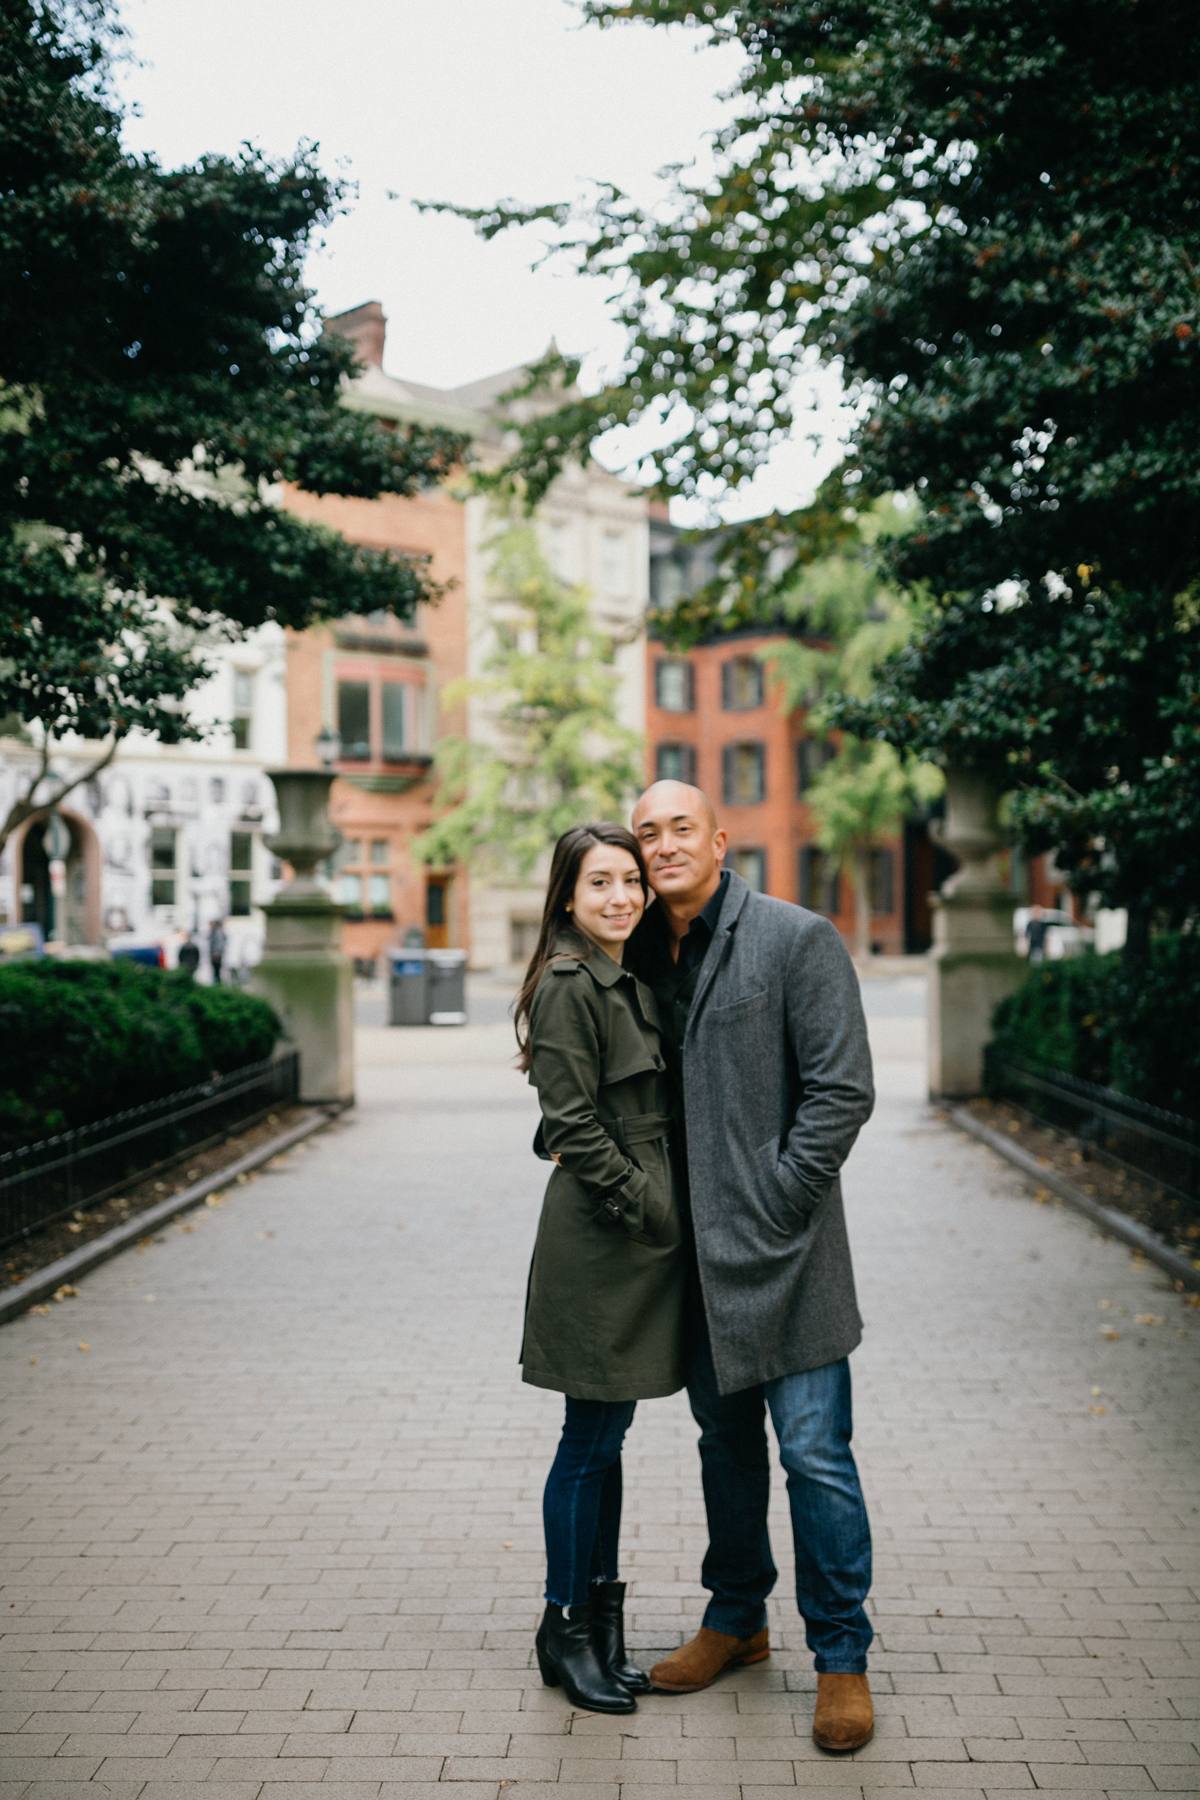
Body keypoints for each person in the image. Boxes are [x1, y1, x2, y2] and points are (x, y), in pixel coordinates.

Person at [625, 780, 877, 1752]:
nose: (662, 845)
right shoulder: (638, 953)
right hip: (691, 1264)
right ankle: (737, 1621)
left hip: (792, 1254)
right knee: (723, 1449)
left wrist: (774, 1202)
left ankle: (843, 1657)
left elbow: (841, 1092)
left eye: (679, 827)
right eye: (647, 832)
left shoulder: (793, 937)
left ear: (720, 840)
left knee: (816, 1458)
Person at [515, 821, 687, 1717]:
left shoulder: (630, 977)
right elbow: (572, 1125)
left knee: (608, 1436)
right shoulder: (569, 985)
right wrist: (647, 1203)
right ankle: (564, 1624)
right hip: (603, 1234)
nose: (619, 897)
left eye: (630, 882)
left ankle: (598, 1626)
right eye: (599, 885)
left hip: (634, 1231)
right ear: (568, 899)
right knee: (587, 1442)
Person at [208, 918, 226, 985]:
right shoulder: (214, 931)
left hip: (216, 954)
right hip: (215, 954)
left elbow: (218, 943)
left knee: (217, 970)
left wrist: (216, 953)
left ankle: (217, 983)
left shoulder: (217, 932)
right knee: (215, 970)